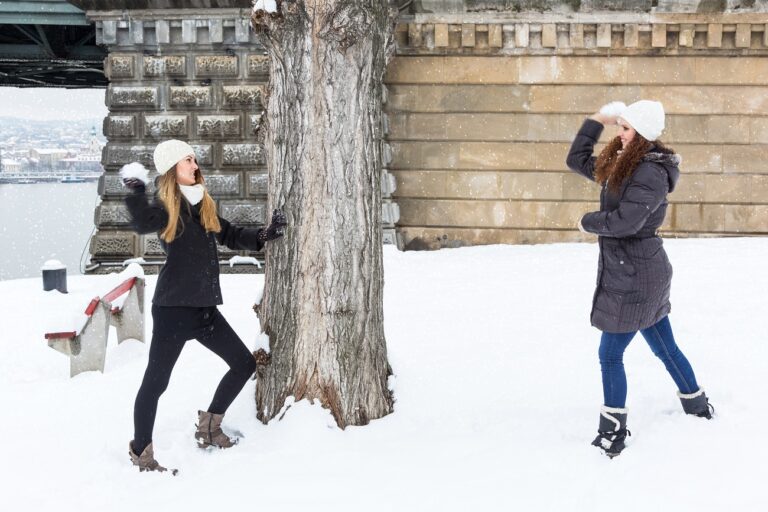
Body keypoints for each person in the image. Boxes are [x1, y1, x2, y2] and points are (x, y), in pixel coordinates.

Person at [120, 139, 287, 473]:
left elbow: (229, 234)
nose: (195, 166)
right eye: (187, 161)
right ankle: (142, 453)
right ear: (171, 169)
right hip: (172, 311)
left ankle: (209, 428)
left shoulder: (203, 202)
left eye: (194, 160)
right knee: (156, 384)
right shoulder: (166, 206)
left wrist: (263, 234)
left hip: (204, 309)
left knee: (243, 364)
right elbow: (142, 221)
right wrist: (136, 192)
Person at [566, 100, 714, 458]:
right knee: (665, 347)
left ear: (644, 133)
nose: (620, 134)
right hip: (634, 269)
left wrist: (588, 222)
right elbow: (576, 160)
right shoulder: (621, 164)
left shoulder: (649, 172)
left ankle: (611, 434)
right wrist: (595, 119)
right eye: (619, 126)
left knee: (610, 355)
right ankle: (697, 406)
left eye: (626, 128)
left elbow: (625, 224)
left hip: (637, 276)